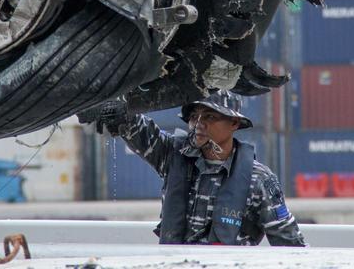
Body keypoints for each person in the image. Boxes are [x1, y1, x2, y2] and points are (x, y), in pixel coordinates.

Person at [94, 91, 305, 246]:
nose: (199, 124)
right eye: (194, 117)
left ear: (234, 123)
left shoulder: (259, 179)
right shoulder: (172, 156)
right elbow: (136, 128)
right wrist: (115, 103)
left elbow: (289, 242)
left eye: (210, 117)